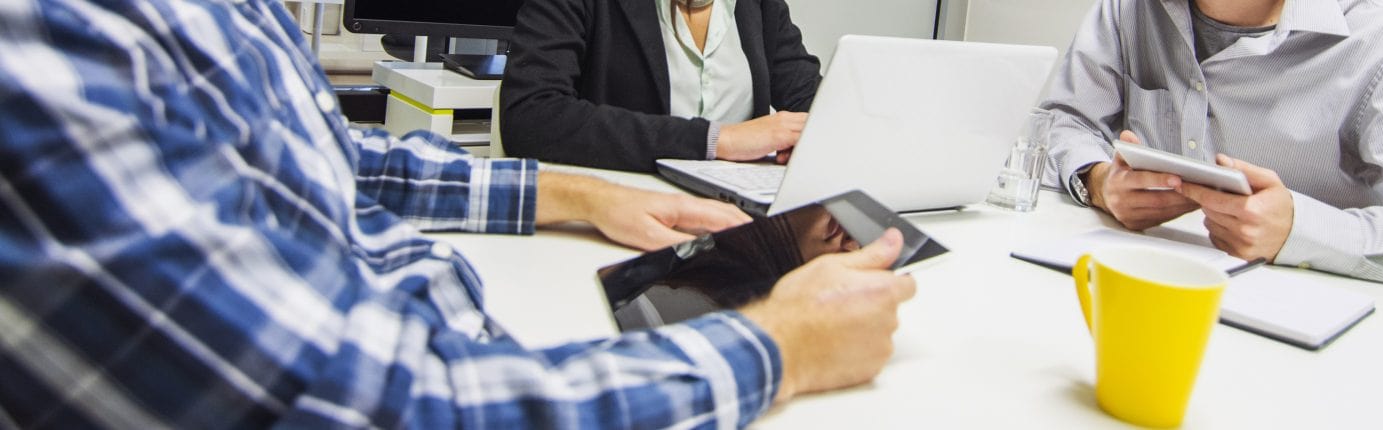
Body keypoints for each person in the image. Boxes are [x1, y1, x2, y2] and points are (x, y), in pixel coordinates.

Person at [0, 0, 917, 427]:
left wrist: (572, 194)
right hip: (457, 372)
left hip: (509, 306)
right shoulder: (48, 52)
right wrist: (782, 347)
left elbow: (309, 149)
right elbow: (397, 409)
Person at [1043, 0, 1383, 285]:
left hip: (1312, 341)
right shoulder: (1127, 11)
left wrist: (1300, 230)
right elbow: (1062, 120)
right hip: (1145, 290)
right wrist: (1098, 179)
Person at [499, 0, 822, 172]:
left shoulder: (761, 5)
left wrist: (819, 131)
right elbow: (532, 117)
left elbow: (806, 93)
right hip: (623, 207)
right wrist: (716, 140)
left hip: (739, 214)